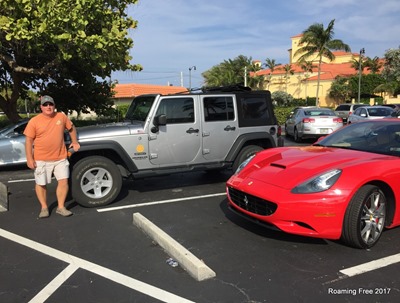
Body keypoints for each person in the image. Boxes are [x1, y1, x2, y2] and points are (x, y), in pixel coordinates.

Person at [24, 95, 80, 218]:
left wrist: (74, 141)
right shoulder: (34, 121)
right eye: (45, 105)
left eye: (50, 104)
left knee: (63, 181)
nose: (48, 107)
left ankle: (61, 207)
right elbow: (28, 141)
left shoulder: (61, 116)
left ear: (54, 106)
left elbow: (71, 128)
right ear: (41, 107)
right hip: (41, 159)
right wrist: (29, 158)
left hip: (60, 157)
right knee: (41, 183)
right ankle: (44, 208)